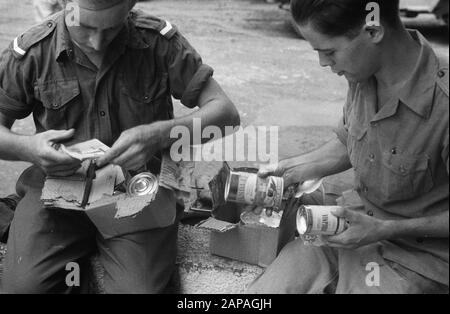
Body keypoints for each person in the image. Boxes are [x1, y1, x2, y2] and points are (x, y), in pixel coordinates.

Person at [0, 0, 239, 293]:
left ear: (130, 7)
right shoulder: (34, 51)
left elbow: (225, 114)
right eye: (85, 27)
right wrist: (28, 148)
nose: (98, 42)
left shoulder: (157, 42)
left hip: (138, 192)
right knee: (24, 288)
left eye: (112, 28)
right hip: (57, 194)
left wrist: (160, 134)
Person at [247, 0, 449, 294]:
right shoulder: (364, 72)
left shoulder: (444, 103)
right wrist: (289, 171)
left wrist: (386, 229)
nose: (323, 63)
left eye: (329, 52)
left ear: (374, 30)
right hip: (347, 226)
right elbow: (349, 142)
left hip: (416, 255)